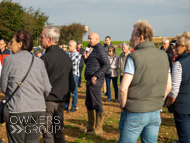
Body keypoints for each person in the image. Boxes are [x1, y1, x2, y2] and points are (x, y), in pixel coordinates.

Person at [118, 20, 172, 143]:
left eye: (132, 36)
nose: (130, 40)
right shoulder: (163, 56)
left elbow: (123, 89)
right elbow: (169, 86)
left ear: (141, 37)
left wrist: (123, 105)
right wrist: (158, 101)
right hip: (155, 112)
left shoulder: (134, 56)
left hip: (135, 112)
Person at [1, 30, 52, 143]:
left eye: (12, 41)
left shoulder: (9, 60)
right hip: (38, 110)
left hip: (17, 110)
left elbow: (4, 87)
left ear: (20, 44)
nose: (11, 44)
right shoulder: (39, 62)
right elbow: (47, 88)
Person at [39, 26, 75, 143]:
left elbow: (39, 83)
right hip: (61, 101)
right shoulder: (67, 58)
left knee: (48, 133)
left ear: (49, 39)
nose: (40, 39)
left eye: (42, 37)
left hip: (48, 102)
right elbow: (72, 84)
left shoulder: (45, 58)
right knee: (58, 132)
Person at [80, 33, 110, 135]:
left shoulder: (100, 49)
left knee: (97, 103)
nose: (89, 40)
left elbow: (107, 65)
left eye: (90, 38)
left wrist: (96, 76)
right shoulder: (93, 50)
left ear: (97, 39)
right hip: (89, 80)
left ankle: (98, 129)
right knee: (89, 103)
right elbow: (92, 65)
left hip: (95, 81)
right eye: (88, 38)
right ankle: (90, 126)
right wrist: (86, 58)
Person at [168, 32, 190, 143]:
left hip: (182, 108)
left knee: (185, 139)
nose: (174, 47)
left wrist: (169, 103)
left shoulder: (178, 64)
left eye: (177, 45)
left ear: (186, 47)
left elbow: (174, 91)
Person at [64, 40, 81, 113]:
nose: (69, 47)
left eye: (70, 45)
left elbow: (70, 62)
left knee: (74, 91)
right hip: (67, 74)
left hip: (74, 74)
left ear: (75, 46)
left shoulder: (77, 54)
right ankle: (66, 106)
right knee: (67, 91)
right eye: (68, 45)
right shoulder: (67, 53)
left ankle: (74, 106)